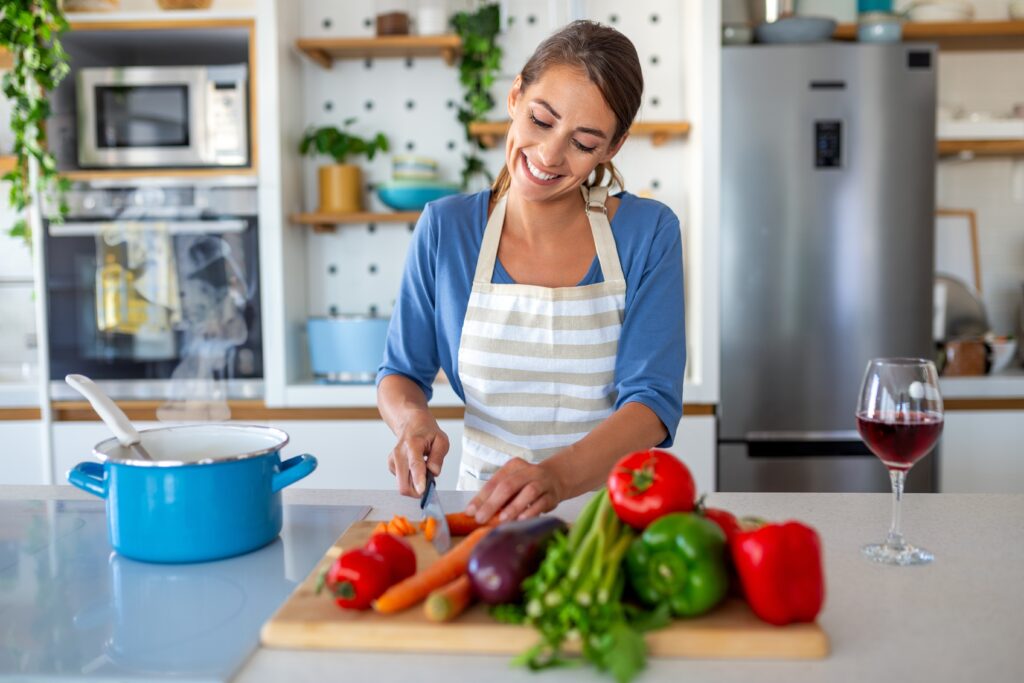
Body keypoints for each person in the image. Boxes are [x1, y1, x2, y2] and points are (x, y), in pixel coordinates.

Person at [376, 20, 685, 524]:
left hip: (608, 523)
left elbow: (652, 403)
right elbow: (401, 374)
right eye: (542, 120)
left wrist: (556, 478)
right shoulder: (446, 228)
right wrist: (412, 422)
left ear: (613, 147)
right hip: (479, 518)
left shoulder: (647, 232)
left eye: (583, 143)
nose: (549, 154)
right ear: (516, 95)